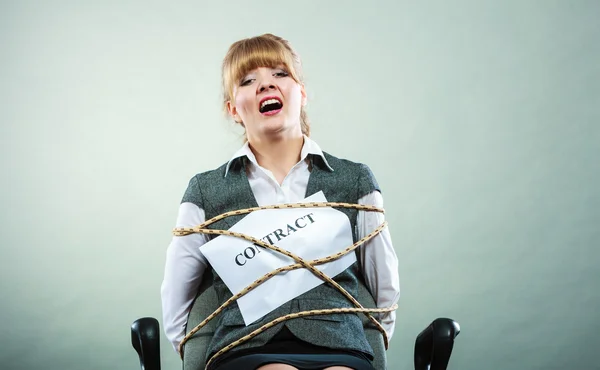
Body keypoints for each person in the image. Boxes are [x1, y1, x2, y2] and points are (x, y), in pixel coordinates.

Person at [161, 33, 400, 370]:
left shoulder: (356, 180)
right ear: (233, 109)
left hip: (341, 345)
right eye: (248, 80)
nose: (265, 85)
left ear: (301, 93)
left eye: (280, 74)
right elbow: (177, 306)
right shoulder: (205, 191)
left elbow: (383, 288)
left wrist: (367, 344)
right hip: (245, 346)